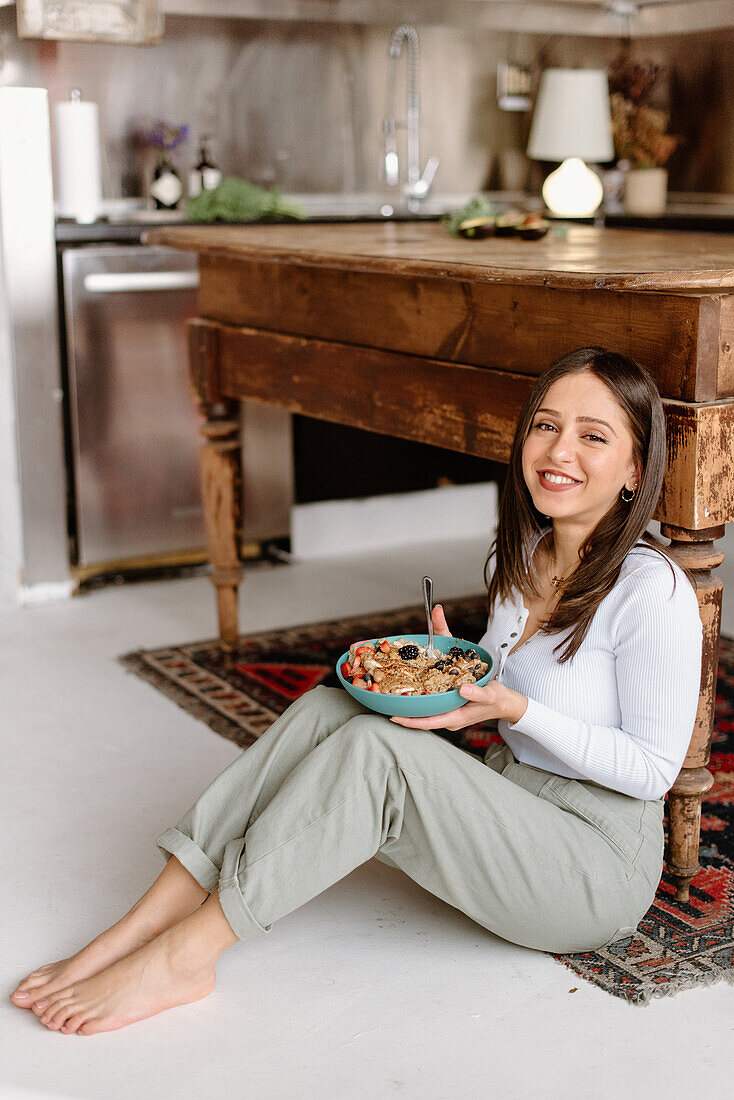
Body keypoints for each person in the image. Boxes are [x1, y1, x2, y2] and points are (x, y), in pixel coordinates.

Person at [11, 347, 702, 1036]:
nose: (559, 451)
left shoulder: (652, 591)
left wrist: (519, 709)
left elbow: (653, 771)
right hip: (515, 801)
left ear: (635, 469)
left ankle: (186, 957)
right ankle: (141, 924)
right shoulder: (519, 554)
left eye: (593, 435)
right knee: (338, 703)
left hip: (592, 867)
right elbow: (488, 687)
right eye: (546, 426)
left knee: (376, 750)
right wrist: (444, 673)